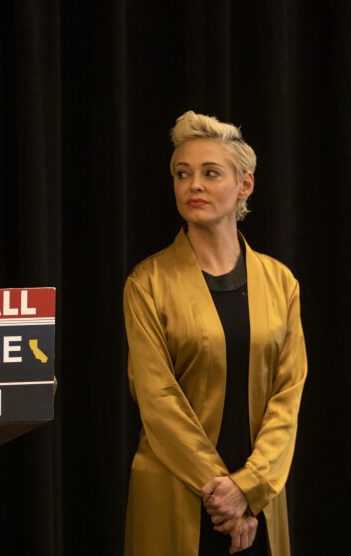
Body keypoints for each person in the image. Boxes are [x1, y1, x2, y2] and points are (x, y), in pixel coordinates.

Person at [122, 111, 307, 555]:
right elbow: (156, 398)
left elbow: (288, 394)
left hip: (258, 500)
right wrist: (226, 496)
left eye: (210, 173)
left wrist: (249, 488)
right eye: (182, 174)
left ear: (245, 185)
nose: (193, 185)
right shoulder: (147, 283)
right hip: (174, 489)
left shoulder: (281, 282)